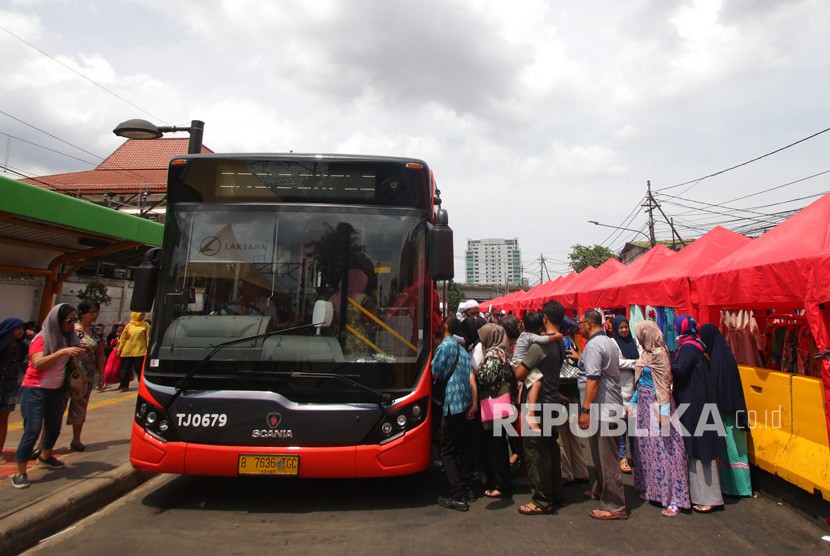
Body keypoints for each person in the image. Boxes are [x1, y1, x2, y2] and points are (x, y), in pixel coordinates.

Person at [13, 304, 84, 489]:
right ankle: (20, 471)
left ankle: (46, 456)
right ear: (57, 321)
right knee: (33, 430)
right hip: (34, 390)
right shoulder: (42, 338)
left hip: (56, 390)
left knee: (54, 427)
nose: (71, 324)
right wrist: (62, 352)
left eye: (73, 320)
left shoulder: (69, 337)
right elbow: (38, 363)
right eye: (68, 321)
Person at [629, 320, 690, 517]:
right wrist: (633, 400)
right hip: (644, 407)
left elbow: (663, 385)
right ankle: (654, 491)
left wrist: (664, 415)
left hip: (658, 406)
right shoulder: (646, 354)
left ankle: (674, 498)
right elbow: (640, 381)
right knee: (648, 450)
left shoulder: (661, 355)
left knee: (666, 450)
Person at [515, 300, 567, 515]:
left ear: (545, 318)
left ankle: (541, 500)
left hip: (537, 407)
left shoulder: (540, 346)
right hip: (552, 400)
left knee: (536, 452)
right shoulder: (560, 343)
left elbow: (519, 373)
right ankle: (555, 494)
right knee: (552, 450)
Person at [577, 309, 628, 520]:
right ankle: (600, 489)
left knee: (607, 458)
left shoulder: (596, 345)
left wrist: (585, 410)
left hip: (603, 409)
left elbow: (594, 380)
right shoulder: (607, 342)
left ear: (589, 324)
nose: (578, 327)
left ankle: (615, 505)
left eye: (580, 323)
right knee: (599, 454)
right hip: (607, 407)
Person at [672, 315, 726, 513]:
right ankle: (701, 495)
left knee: (700, 447)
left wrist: (660, 364)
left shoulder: (687, 348)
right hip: (700, 400)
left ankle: (709, 497)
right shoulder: (697, 344)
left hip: (694, 403)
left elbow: (679, 371)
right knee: (699, 445)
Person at [699, 323, 752, 497]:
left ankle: (739, 488)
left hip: (727, 412)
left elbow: (721, 387)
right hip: (729, 410)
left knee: (733, 450)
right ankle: (733, 487)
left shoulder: (719, 359)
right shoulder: (721, 355)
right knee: (731, 449)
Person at [433, 316, 477, 512]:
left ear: (444, 327)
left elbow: (435, 372)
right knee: (464, 447)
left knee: (447, 451)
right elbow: (471, 377)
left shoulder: (444, 346)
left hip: (451, 403)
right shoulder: (463, 350)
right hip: (466, 402)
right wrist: (474, 404)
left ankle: (457, 496)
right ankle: (468, 489)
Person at [475, 323, 514, 500]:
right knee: (500, 443)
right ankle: (504, 482)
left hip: (493, 403)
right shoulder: (504, 351)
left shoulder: (493, 354)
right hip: (503, 402)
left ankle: (500, 485)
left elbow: (485, 377)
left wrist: (473, 375)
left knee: (494, 445)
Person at [67, 301, 105, 452]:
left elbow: (100, 354)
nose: (95, 315)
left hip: (86, 375)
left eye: (97, 312)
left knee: (80, 407)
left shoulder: (97, 331)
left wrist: (102, 374)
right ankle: (45, 443)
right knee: (57, 409)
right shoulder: (70, 329)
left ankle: (76, 440)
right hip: (66, 374)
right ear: (81, 313)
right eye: (92, 312)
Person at [611, 315, 640, 474]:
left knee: (634, 426)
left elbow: (642, 358)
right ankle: (622, 456)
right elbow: (617, 362)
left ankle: (635, 455)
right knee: (622, 424)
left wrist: (635, 363)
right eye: (620, 327)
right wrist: (634, 363)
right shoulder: (613, 343)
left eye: (625, 327)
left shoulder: (634, 342)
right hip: (621, 388)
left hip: (635, 388)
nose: (623, 330)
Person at [331, 269, 376, 357]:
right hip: (357, 345)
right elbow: (372, 320)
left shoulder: (333, 299)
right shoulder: (363, 299)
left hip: (336, 344)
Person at [0, 318, 26, 464]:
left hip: (11, 385)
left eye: (22, 328)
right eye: (17, 328)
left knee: (4, 419)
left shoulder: (22, 347)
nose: (21, 331)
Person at [116, 312, 150, 392]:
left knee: (139, 369)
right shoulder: (129, 325)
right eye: (140, 315)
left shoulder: (145, 325)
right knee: (125, 369)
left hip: (140, 351)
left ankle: (142, 385)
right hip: (127, 351)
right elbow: (123, 339)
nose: (142, 316)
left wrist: (148, 350)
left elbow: (148, 338)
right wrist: (119, 350)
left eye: (143, 315)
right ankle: (123, 386)